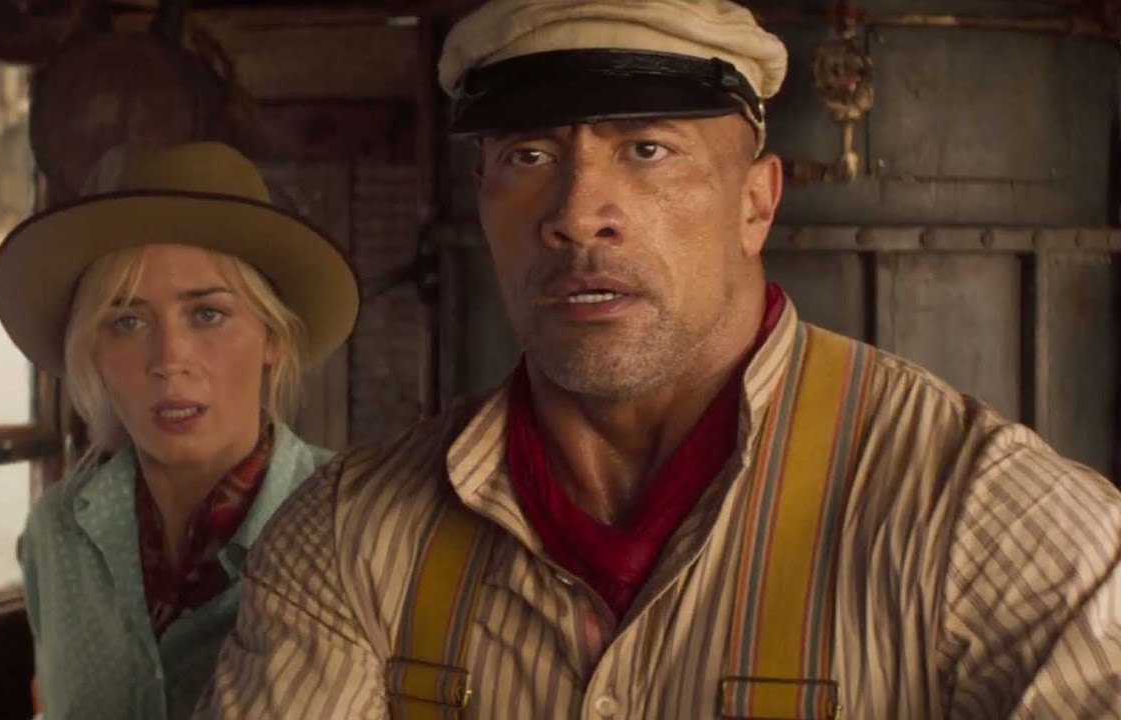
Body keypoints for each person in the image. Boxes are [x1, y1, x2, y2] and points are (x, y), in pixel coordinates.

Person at [197, 2, 1121, 718]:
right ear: (482, 200)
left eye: (647, 150)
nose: (576, 214)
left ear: (756, 204)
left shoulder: (979, 519)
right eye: (528, 156)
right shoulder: (349, 539)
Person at [0, 141, 357, 720]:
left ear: (273, 338)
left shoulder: (354, 525)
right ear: (93, 350)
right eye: (126, 321)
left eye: (207, 314)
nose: (169, 359)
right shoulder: (57, 532)